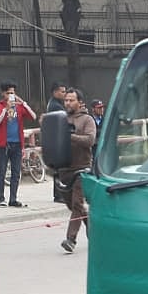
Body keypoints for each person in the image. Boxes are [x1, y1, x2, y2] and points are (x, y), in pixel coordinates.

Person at [58, 88, 96, 253]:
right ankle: (95, 233)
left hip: (82, 168)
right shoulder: (60, 119)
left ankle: (70, 240)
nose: (68, 103)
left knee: (76, 204)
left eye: (71, 100)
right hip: (64, 169)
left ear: (80, 102)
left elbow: (89, 140)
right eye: (66, 100)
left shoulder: (87, 120)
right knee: (74, 206)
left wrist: (69, 136)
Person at [0, 80, 37, 208]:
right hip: (3, 145)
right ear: (3, 94)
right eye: (8, 93)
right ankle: (1, 198)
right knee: (2, 171)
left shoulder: (19, 107)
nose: (11, 95)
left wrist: (23, 103)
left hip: (17, 144)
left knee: (16, 173)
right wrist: (5, 110)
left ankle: (13, 198)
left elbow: (33, 116)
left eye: (13, 93)